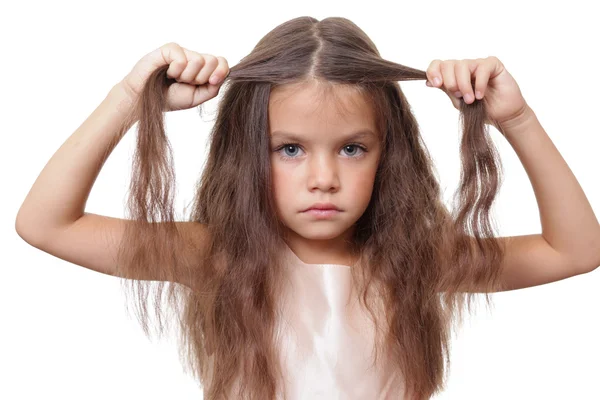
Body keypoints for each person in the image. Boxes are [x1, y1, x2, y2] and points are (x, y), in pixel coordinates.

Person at [15, 16, 600, 400]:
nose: (324, 179)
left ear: (386, 154)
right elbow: (46, 224)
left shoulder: (416, 259)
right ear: (247, 153)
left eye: (351, 148)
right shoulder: (216, 255)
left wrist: (516, 120)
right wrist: (129, 98)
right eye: (289, 149)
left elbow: (574, 250)